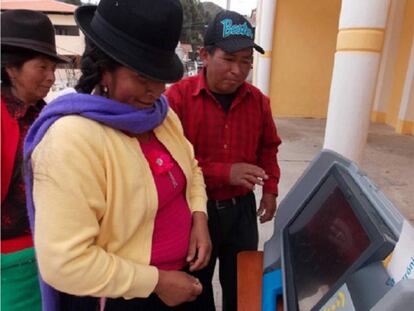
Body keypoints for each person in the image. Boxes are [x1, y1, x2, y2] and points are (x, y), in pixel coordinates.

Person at [23, 0, 211, 310]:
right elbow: (65, 262)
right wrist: (158, 282)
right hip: (122, 298)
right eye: (141, 76)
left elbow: (191, 167)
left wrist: (198, 217)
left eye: (160, 76)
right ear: (103, 70)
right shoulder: (72, 140)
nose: (156, 90)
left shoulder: (162, 117)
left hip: (180, 284)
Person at [165, 10, 282, 311]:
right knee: (194, 289)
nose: (238, 70)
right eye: (229, 59)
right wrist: (223, 173)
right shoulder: (176, 100)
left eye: (246, 61)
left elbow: (269, 146)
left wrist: (270, 189)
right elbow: (168, 163)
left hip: (241, 212)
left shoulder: (258, 102)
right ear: (204, 55)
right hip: (193, 214)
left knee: (243, 288)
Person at [1, 9, 68, 311]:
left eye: (53, 67)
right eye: (41, 67)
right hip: (11, 267)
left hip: (50, 256)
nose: (51, 77)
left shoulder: (44, 115)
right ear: (11, 68)